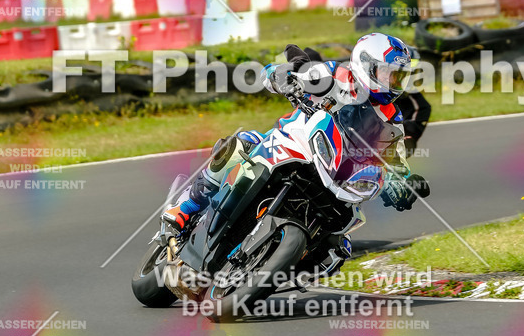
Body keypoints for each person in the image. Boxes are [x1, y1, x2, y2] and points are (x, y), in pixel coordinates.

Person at [162, 32, 430, 236]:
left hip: (338, 173)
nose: (393, 83)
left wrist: (404, 183)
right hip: (298, 142)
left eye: (398, 77)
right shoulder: (336, 74)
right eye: (389, 74)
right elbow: (292, 73)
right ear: (365, 64)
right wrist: (283, 77)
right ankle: (186, 207)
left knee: (340, 245)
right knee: (242, 144)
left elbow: (396, 161)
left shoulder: (391, 118)